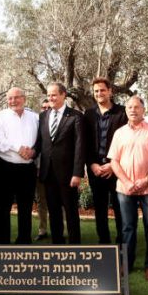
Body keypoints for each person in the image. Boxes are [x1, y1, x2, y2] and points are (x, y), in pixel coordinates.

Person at [108, 96, 148, 281]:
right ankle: (126, 264)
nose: (133, 110)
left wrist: (146, 179)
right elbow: (114, 161)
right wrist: (127, 181)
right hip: (125, 189)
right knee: (127, 228)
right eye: (129, 107)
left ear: (143, 110)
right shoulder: (119, 133)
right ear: (126, 110)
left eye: (137, 107)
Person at [36, 83, 84, 244]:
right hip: (48, 173)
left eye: (54, 95)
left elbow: (79, 146)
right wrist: (30, 152)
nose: (51, 98)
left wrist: (77, 173)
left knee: (71, 212)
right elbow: (40, 143)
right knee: (54, 211)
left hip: (68, 174)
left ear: (64, 95)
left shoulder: (76, 116)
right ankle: (57, 244)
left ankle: (75, 245)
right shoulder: (43, 116)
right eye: (49, 95)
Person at [0, 87, 38, 244]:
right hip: (5, 168)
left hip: (28, 169)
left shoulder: (35, 117)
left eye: (17, 97)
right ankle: (1, 245)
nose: (13, 101)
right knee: (2, 209)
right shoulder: (0, 117)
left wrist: (33, 151)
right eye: (10, 98)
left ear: (24, 98)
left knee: (26, 208)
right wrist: (19, 149)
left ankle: (24, 242)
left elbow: (41, 140)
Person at [83, 77, 127, 244]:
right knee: (100, 210)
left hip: (116, 169)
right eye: (96, 91)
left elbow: (126, 143)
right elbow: (85, 143)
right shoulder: (88, 114)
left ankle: (122, 243)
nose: (99, 93)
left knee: (119, 208)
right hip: (96, 169)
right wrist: (92, 164)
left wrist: (112, 165)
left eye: (102, 90)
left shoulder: (122, 113)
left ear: (110, 91)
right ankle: (104, 242)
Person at [34, 98, 51, 241]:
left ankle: (61, 229)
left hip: (55, 171)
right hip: (39, 171)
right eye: (43, 107)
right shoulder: (36, 125)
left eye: (48, 107)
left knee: (58, 202)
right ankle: (42, 229)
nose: (45, 109)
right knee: (41, 202)